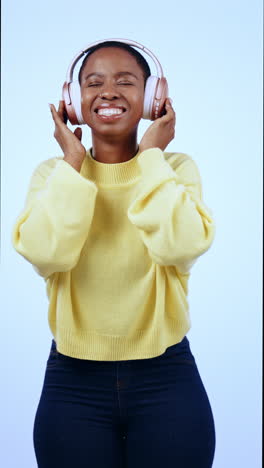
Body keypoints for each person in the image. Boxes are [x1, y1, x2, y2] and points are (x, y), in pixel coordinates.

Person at [12, 39, 216, 468]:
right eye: (93, 82)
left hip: (167, 377)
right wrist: (71, 161)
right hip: (72, 382)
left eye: (126, 81)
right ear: (73, 99)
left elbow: (180, 245)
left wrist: (152, 157)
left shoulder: (174, 169)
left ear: (152, 97)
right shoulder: (53, 175)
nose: (108, 92)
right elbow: (45, 254)